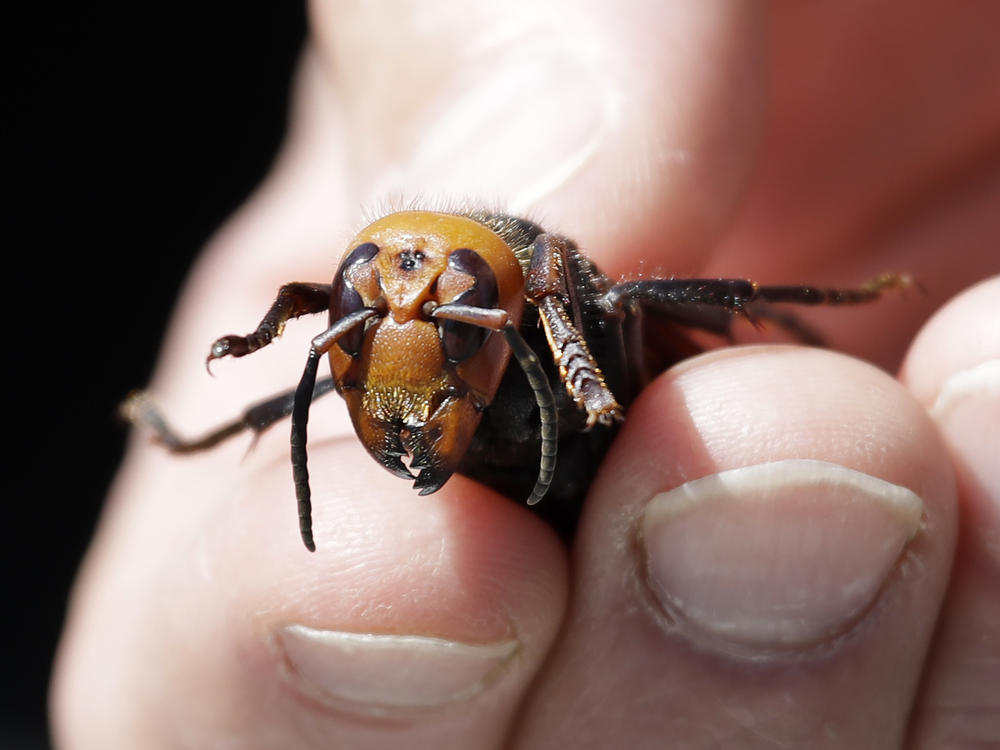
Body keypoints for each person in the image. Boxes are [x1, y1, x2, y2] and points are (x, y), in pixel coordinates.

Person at [51, 3, 998, 747]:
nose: (399, 306)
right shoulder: (372, 308)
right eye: (363, 303)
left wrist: (595, 360)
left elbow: (576, 282)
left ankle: (812, 308)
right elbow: (313, 306)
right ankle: (213, 435)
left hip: (603, 467)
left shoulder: (547, 277)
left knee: (628, 302)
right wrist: (260, 350)